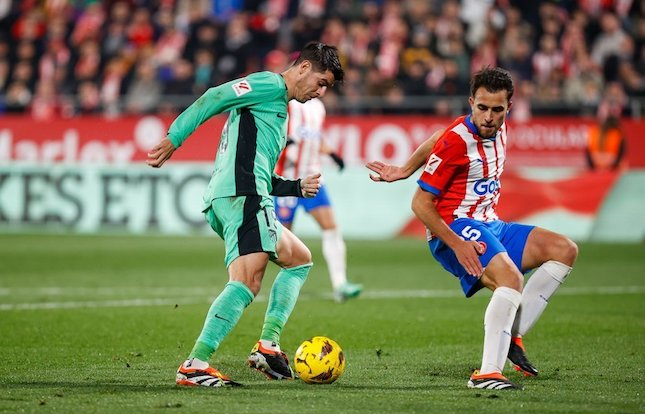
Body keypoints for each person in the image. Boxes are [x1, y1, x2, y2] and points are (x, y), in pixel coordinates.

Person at [367, 67, 578, 390]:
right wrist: (456, 243)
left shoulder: (495, 130)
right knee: (511, 279)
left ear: (510, 107)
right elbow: (420, 204)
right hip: (452, 227)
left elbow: (437, 135)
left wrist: (405, 168)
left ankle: (511, 336)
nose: (489, 117)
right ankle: (487, 373)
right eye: (481, 108)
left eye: (497, 109)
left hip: (489, 222)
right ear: (471, 103)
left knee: (564, 250)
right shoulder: (458, 142)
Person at [146, 41, 344, 387]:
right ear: (302, 68)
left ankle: (268, 345)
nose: (321, 92)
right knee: (247, 282)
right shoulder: (269, 85)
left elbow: (260, 169)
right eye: (321, 82)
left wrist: (296, 187)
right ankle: (196, 363)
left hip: (242, 195)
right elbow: (215, 96)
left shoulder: (278, 107)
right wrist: (174, 137)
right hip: (243, 197)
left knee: (299, 259)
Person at [274, 88, 363, 303]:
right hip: (288, 181)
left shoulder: (318, 108)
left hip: (313, 178)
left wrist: (332, 154)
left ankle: (340, 285)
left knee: (331, 227)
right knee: (281, 240)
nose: (322, 88)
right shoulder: (290, 104)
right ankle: (262, 282)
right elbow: (276, 129)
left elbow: (315, 137)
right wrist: (285, 143)